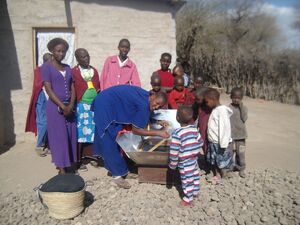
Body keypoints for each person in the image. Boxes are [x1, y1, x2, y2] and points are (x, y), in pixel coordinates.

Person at [92, 85, 170, 189]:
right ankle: (117, 175)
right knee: (109, 138)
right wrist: (158, 133)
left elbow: (140, 114)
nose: (156, 107)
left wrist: (157, 121)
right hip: (105, 105)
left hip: (109, 102)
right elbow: (136, 130)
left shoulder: (147, 97)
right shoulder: (143, 104)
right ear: (153, 96)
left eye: (159, 107)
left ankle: (122, 170)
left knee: (115, 137)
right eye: (156, 104)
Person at [41, 38, 77, 174]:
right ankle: (61, 167)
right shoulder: (46, 67)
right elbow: (48, 89)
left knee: (70, 135)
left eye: (64, 51)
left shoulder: (67, 68)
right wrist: (63, 106)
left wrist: (71, 104)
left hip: (70, 107)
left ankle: (70, 163)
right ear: (52, 51)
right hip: (55, 108)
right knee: (59, 137)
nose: (61, 54)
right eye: (58, 51)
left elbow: (73, 87)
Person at [72, 48, 101, 172]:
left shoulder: (94, 70)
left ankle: (92, 157)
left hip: (93, 106)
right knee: (81, 133)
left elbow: (98, 87)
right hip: (81, 106)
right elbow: (73, 88)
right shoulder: (74, 72)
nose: (86, 59)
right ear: (77, 59)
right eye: (83, 57)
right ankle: (79, 160)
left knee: (93, 132)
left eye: (87, 56)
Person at [169, 105, 204, 206]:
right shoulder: (194, 129)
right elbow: (200, 142)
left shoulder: (177, 133)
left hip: (184, 162)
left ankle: (188, 199)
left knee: (186, 179)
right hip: (194, 159)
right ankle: (195, 192)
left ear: (177, 118)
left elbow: (174, 152)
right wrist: (193, 148)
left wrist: (173, 165)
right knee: (195, 175)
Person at [25, 53, 52, 157]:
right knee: (43, 122)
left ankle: (48, 145)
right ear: (46, 61)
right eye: (50, 60)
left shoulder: (50, 70)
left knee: (50, 122)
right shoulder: (39, 70)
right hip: (41, 97)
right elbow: (38, 84)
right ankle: (39, 146)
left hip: (49, 97)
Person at [205, 88, 233, 184]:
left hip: (220, 143)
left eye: (207, 101)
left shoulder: (222, 111)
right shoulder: (216, 110)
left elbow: (224, 128)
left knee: (222, 161)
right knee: (215, 161)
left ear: (212, 99)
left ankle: (223, 177)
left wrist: (224, 143)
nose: (206, 104)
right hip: (214, 142)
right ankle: (217, 175)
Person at [229, 87, 248, 178]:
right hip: (231, 136)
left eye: (239, 98)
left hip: (241, 136)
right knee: (230, 152)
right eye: (234, 97)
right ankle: (229, 168)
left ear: (241, 98)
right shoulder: (228, 108)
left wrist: (241, 107)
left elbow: (244, 118)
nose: (236, 100)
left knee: (241, 153)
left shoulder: (244, 108)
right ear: (231, 97)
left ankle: (241, 168)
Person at [193, 87, 212, 154]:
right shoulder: (199, 106)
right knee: (203, 144)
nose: (196, 100)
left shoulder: (210, 108)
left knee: (208, 146)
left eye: (198, 99)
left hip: (208, 131)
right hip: (202, 130)